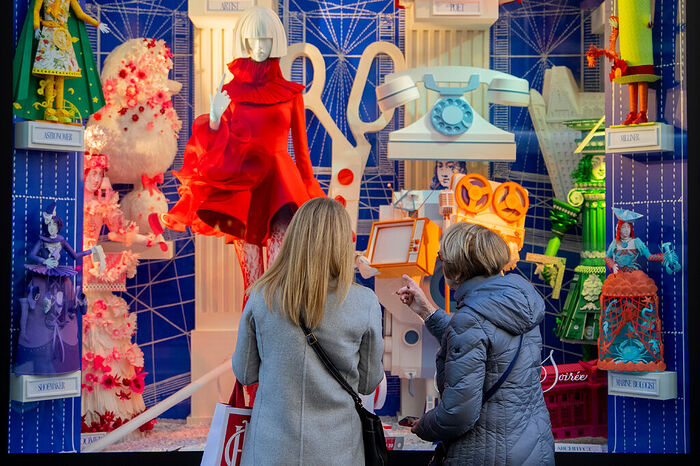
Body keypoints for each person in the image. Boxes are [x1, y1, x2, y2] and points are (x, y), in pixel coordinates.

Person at [160, 5, 325, 310]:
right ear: (244, 42)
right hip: (243, 189)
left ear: (275, 41)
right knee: (252, 281)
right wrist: (214, 121)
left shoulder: (291, 94)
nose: (259, 47)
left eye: (265, 40)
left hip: (281, 187)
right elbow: (219, 146)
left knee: (278, 279)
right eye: (253, 40)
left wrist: (311, 192)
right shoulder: (230, 92)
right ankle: (251, 339)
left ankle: (277, 337)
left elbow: (302, 151)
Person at [232, 197, 384, 465]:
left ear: (295, 238)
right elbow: (368, 382)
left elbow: (245, 373)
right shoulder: (365, 302)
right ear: (342, 244)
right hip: (337, 452)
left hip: (270, 451)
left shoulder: (261, 296)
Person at [396, 222, 555, 465]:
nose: (441, 263)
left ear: (458, 270)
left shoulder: (470, 319)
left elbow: (458, 414)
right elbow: (488, 343)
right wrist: (427, 311)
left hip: (488, 454)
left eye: (442, 257)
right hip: (532, 447)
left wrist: (424, 425)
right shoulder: (517, 302)